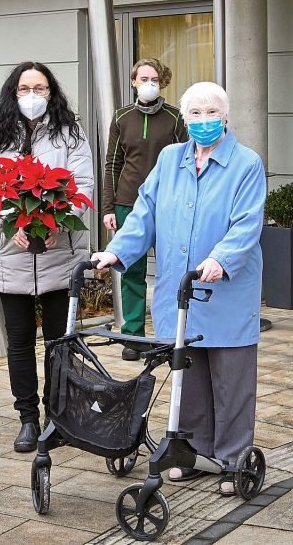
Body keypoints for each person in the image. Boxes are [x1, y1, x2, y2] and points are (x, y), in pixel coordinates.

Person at [91, 82, 265, 497]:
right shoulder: (170, 159)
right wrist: (117, 253)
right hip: (179, 289)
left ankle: (232, 459)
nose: (204, 121)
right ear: (184, 119)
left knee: (230, 382)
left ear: (225, 117)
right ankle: (195, 454)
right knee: (189, 377)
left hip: (225, 291)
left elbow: (246, 224)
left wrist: (220, 260)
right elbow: (143, 213)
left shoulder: (246, 163)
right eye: (196, 113)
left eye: (212, 112)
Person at [0, 61, 94, 453]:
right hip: (13, 256)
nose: (32, 95)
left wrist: (58, 221)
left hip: (60, 256)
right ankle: (27, 418)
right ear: (13, 93)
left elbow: (82, 183)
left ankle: (56, 419)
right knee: (21, 342)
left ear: (51, 93)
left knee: (60, 343)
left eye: (40, 88)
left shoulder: (70, 134)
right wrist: (15, 224)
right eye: (25, 88)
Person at [102, 58, 187, 361]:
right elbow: (112, 164)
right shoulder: (121, 117)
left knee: (171, 270)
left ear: (162, 81)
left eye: (154, 78)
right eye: (143, 78)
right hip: (128, 203)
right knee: (131, 272)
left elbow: (186, 163)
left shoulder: (176, 118)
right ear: (134, 82)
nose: (148, 83)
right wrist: (108, 207)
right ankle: (133, 336)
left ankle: (169, 333)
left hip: (168, 206)